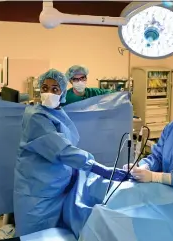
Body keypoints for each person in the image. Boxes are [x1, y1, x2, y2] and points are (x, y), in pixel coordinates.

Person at [13, 69, 127, 236]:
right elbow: (62, 150)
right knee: (35, 236)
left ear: (62, 92)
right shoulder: (35, 117)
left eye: (54, 89)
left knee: (55, 234)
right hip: (37, 192)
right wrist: (100, 169)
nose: (48, 93)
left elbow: (69, 142)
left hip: (56, 186)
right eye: (44, 88)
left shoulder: (57, 112)